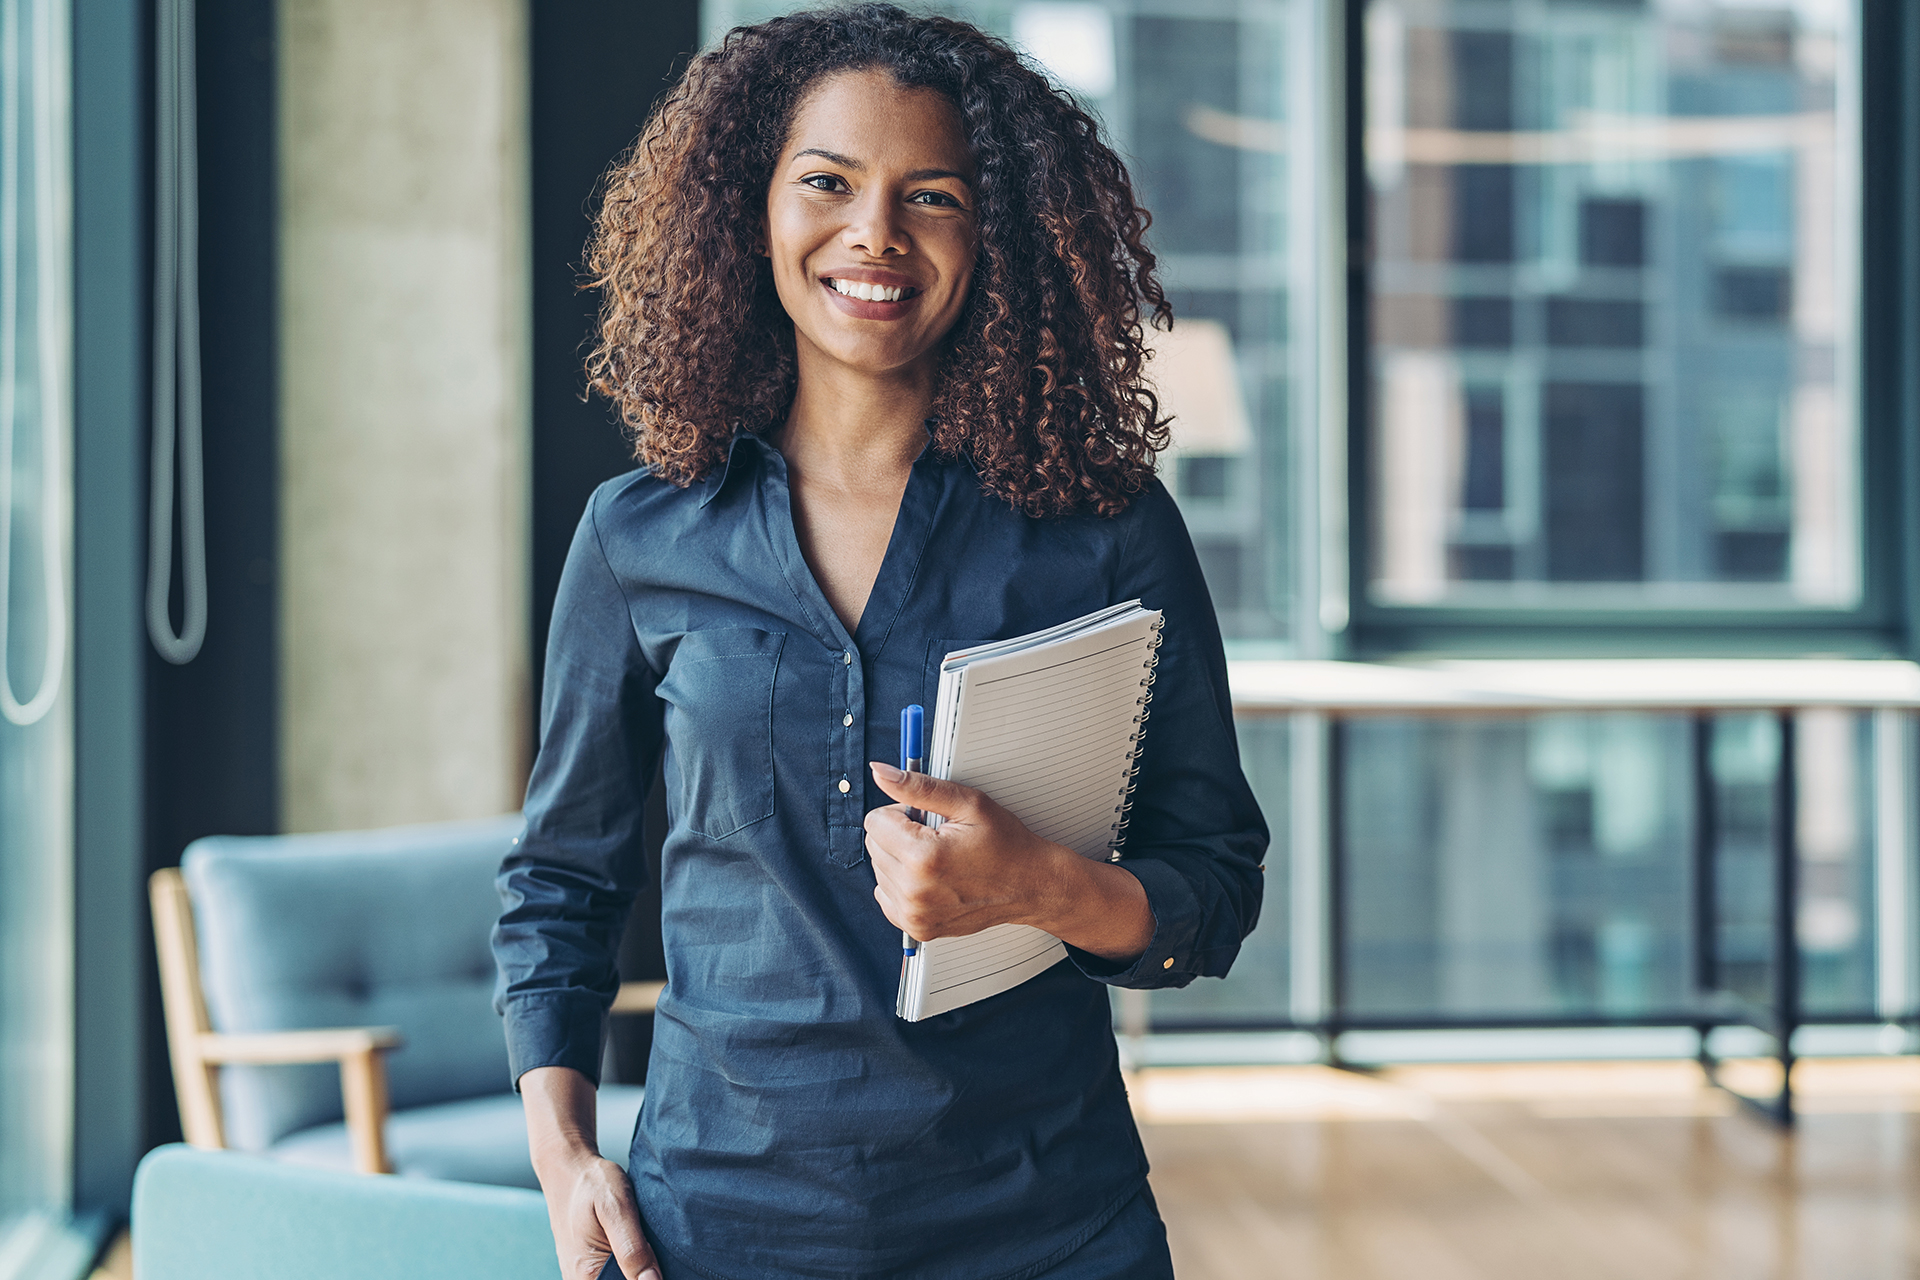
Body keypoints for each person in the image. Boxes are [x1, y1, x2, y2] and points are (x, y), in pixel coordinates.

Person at [492, 7, 1268, 1278]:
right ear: (750, 208)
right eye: (828, 183)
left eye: (935, 196)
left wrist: (1040, 885)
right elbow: (561, 886)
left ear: (994, 236)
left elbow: (1216, 886)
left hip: (1046, 1223)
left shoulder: (1108, 530)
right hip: (719, 1224)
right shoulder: (639, 536)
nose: (875, 236)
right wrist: (562, 1152)